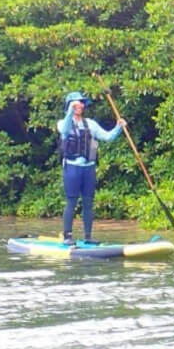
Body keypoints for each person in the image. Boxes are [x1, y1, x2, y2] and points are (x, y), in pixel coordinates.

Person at [57, 90, 126, 244]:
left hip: (88, 168)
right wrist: (70, 110)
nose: (80, 105)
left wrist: (118, 127)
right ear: (69, 105)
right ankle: (67, 237)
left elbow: (108, 137)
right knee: (72, 201)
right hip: (72, 168)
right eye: (76, 102)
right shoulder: (63, 123)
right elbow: (65, 131)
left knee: (88, 202)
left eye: (81, 103)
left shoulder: (91, 124)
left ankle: (88, 237)